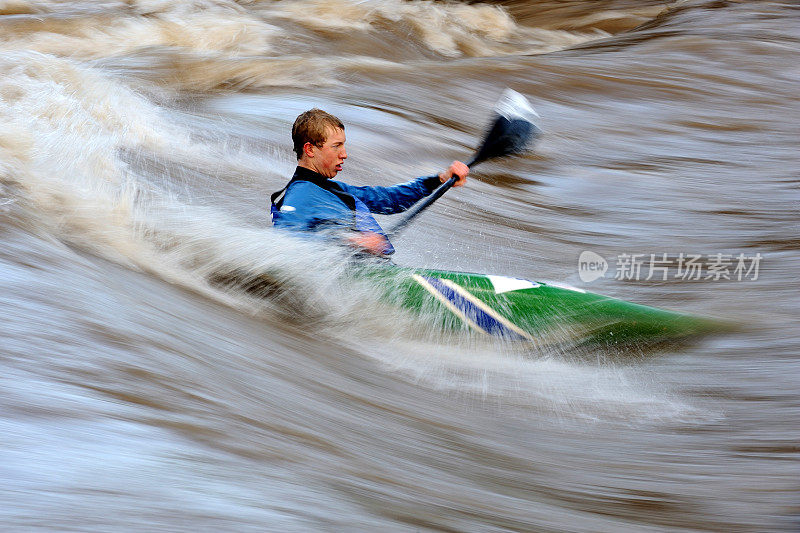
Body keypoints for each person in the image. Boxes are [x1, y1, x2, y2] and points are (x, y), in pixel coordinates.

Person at [271, 108, 468, 256]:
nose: (344, 154)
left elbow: (389, 200)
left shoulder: (333, 190)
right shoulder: (298, 194)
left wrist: (439, 179)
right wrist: (352, 240)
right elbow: (287, 240)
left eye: (344, 145)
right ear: (310, 149)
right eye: (336, 146)